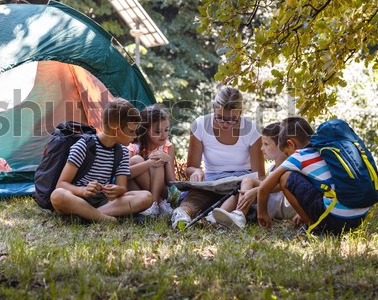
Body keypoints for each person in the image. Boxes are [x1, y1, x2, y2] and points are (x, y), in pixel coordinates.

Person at [256, 117, 371, 234]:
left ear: (291, 144)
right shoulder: (324, 151)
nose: (287, 156)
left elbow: (263, 189)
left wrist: (262, 213)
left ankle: (314, 227)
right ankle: (315, 219)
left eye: (286, 152)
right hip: (359, 218)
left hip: (336, 219)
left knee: (285, 177)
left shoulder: (299, 156)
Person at [171, 86, 265, 228]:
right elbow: (191, 167)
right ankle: (183, 214)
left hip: (240, 182)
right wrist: (196, 171)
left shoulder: (251, 129)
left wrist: (251, 189)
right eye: (220, 118)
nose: (225, 124)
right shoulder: (200, 125)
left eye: (232, 119)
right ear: (214, 107)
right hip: (212, 181)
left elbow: (260, 177)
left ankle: (217, 217)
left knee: (236, 191)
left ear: (241, 112)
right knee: (200, 193)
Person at [50, 98, 153, 222]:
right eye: (131, 131)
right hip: (77, 198)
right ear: (116, 129)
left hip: (104, 202)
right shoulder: (83, 146)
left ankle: (88, 216)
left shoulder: (123, 152)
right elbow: (61, 184)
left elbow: (122, 187)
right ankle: (107, 218)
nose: (135, 136)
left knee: (146, 197)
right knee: (57, 195)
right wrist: (83, 190)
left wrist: (117, 190)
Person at [211, 122, 298, 229]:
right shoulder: (273, 167)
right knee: (245, 183)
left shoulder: (289, 166)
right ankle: (225, 215)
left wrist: (256, 190)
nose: (261, 148)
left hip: (283, 206)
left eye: (266, 144)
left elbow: (281, 186)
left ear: (281, 146)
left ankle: (237, 215)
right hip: (274, 203)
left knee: (246, 186)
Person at [127, 105, 176, 217]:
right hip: (138, 191)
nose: (164, 135)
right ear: (145, 130)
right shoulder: (134, 148)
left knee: (158, 160)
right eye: (158, 131)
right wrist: (149, 162)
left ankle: (153, 204)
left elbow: (171, 182)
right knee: (136, 160)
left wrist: (167, 160)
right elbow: (125, 173)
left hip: (161, 190)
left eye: (166, 130)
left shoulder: (167, 147)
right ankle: (158, 205)